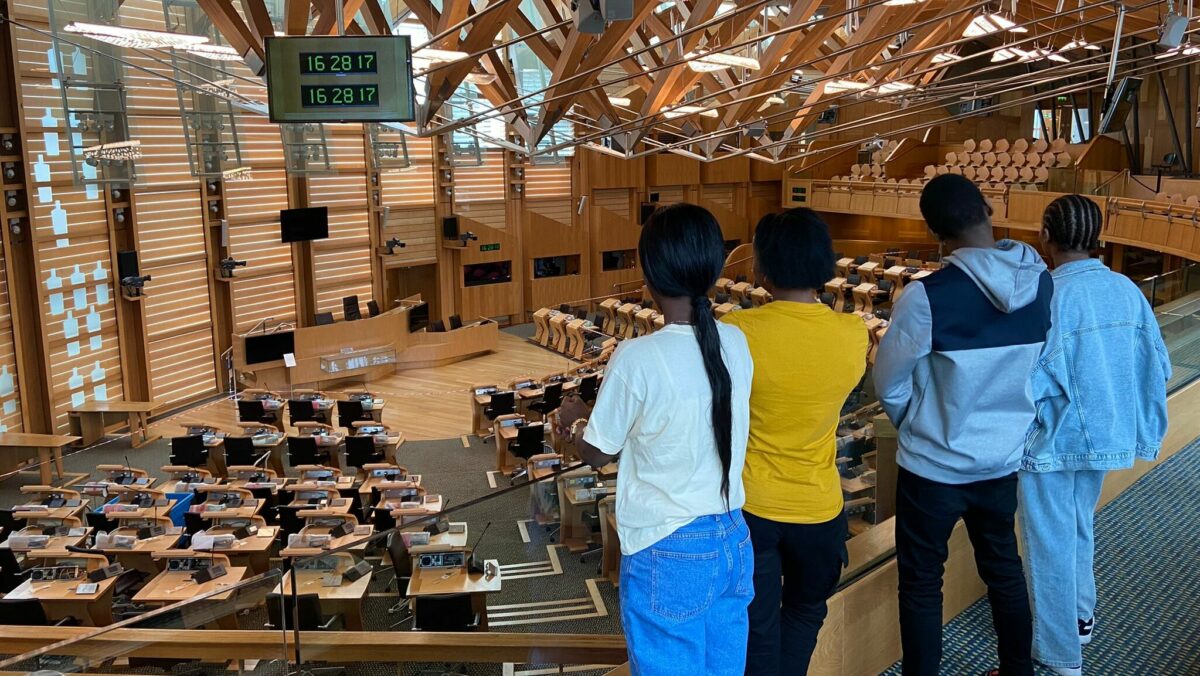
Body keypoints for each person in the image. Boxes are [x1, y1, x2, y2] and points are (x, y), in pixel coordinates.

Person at [554, 202, 755, 676]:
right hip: (733, 536)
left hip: (670, 544)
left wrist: (576, 424)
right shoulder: (736, 342)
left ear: (650, 274)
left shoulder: (637, 356)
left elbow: (598, 452)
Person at [874, 174, 1052, 676]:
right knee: (1004, 571)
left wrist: (919, 424)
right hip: (1001, 460)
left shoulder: (927, 296)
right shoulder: (1041, 283)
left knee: (922, 583)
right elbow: (1039, 368)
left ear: (935, 234)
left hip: (932, 468)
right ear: (988, 208)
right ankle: (1018, 671)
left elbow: (889, 383)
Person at [1019, 195, 1170, 676]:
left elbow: (1030, 379)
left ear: (1045, 235)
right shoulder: (1126, 289)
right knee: (1080, 525)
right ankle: (1081, 618)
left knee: (1049, 542)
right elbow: (1158, 363)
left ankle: (1059, 653)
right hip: (1108, 434)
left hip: (1052, 440)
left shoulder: (1049, 295)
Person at [719, 209, 867, 675]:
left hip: (753, 506)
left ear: (762, 268)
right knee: (805, 613)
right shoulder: (852, 333)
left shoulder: (738, 332)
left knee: (757, 628)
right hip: (820, 507)